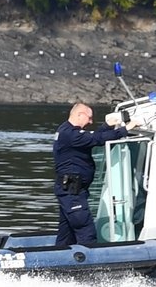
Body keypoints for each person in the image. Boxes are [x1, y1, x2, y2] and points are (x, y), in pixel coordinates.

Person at [53, 102, 130, 246]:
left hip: (71, 190)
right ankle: (91, 265)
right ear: (79, 115)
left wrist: (107, 126)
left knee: (67, 232)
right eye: (89, 118)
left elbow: (92, 137)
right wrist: (126, 130)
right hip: (72, 191)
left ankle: (59, 262)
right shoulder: (71, 134)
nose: (91, 121)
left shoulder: (66, 130)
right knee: (85, 230)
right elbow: (97, 139)